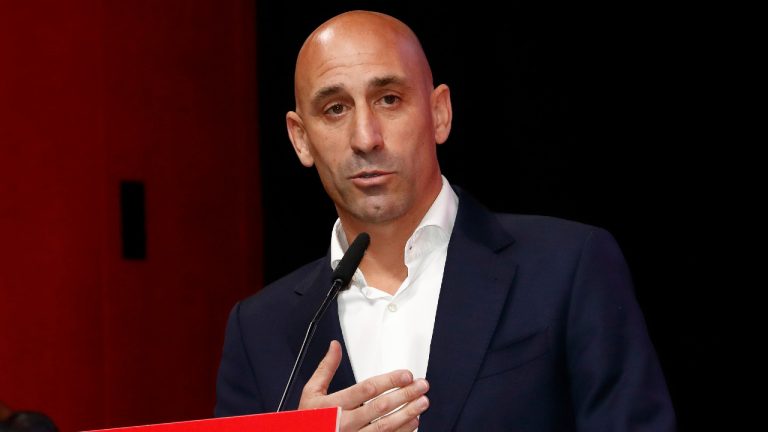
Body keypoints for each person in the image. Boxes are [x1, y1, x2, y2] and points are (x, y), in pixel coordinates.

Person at [215, 10, 676, 431]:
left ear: (439, 113)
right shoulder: (259, 332)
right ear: (301, 139)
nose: (365, 137)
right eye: (335, 109)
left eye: (389, 99)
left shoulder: (568, 268)